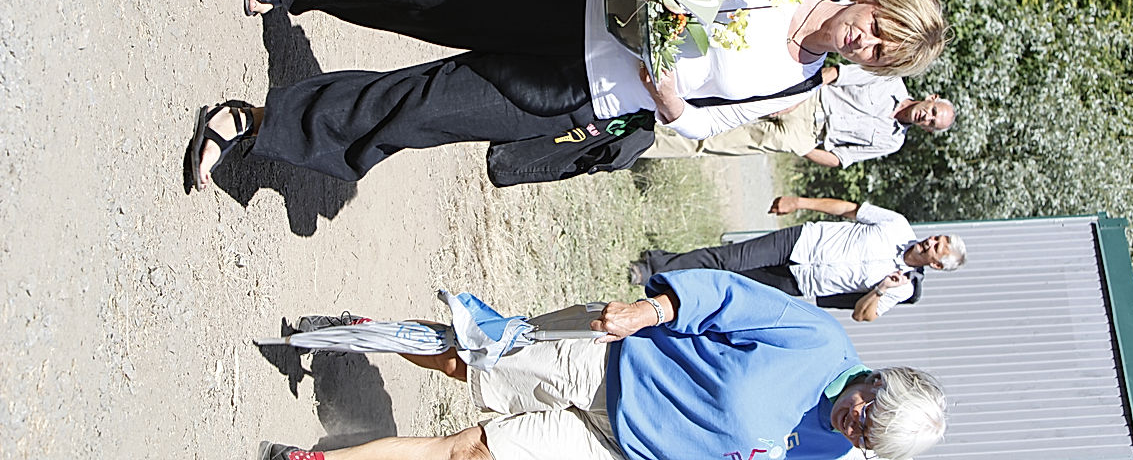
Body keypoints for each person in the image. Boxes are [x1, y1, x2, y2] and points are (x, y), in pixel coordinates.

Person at [187, 0, 948, 189]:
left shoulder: (798, 88)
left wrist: (673, 103)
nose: (869, 39)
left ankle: (257, 123)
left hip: (580, 89)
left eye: (882, 53)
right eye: (881, 25)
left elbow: (702, 128)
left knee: (419, 109)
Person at [259, 269, 948, 460]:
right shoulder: (817, 342)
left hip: (611, 447)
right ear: (876, 383)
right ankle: (362, 333)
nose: (854, 427)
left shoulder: (829, 453)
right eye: (867, 415)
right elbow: (726, 296)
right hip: (606, 361)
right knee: (458, 360)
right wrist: (649, 311)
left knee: (467, 455)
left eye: (867, 440)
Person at [632, 199, 967, 322]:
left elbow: (863, 315)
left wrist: (880, 290)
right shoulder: (898, 225)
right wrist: (799, 202)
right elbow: (849, 209)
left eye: (938, 247)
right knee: (726, 260)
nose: (931, 241)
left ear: (936, 265)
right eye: (938, 237)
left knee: (729, 283)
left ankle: (662, 266)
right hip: (802, 242)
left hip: (801, 282)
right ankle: (650, 269)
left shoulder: (903, 289)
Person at [645, 63, 956, 165]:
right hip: (809, 97)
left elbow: (841, 159)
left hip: (807, 135)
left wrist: (803, 148)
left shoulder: (892, 142)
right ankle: (649, 103)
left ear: (928, 131)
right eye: (931, 111)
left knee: (713, 142)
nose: (925, 117)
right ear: (931, 98)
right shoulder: (889, 79)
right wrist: (799, 94)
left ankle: (645, 145)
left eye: (931, 123)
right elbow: (837, 73)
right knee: (721, 102)